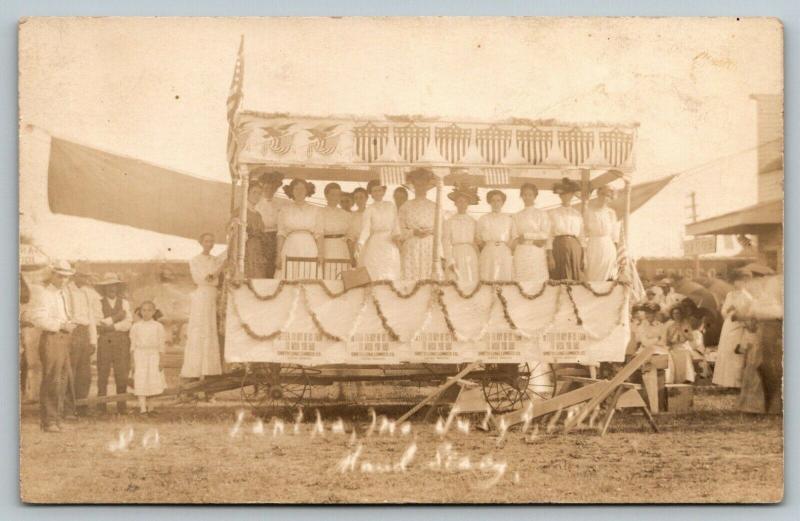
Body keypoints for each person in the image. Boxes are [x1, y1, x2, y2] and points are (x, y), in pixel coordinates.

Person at [27, 260, 77, 432]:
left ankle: (56, 418)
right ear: (53, 275)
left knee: (62, 379)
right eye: (60, 276)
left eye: (67, 277)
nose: (63, 280)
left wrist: (68, 324)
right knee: (52, 379)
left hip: (64, 338)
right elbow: (37, 318)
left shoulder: (62, 293)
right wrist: (61, 325)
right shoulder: (43, 293)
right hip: (51, 338)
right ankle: (48, 421)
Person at [181, 233, 227, 384]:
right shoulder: (195, 260)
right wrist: (216, 272)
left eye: (212, 241)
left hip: (214, 295)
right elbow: (202, 278)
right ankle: (194, 370)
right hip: (202, 296)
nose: (210, 243)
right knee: (200, 330)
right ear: (201, 243)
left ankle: (210, 370)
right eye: (207, 241)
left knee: (212, 330)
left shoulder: (215, 260)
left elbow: (226, 256)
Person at [94, 272, 133, 415]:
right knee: (102, 373)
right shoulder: (97, 303)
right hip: (104, 342)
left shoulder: (124, 303)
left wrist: (110, 325)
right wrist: (117, 317)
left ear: (118, 288)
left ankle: (121, 407)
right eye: (108, 286)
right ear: (104, 288)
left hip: (121, 341)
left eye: (114, 286)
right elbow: (98, 322)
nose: (112, 289)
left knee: (121, 373)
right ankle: (101, 407)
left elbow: (128, 323)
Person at [63, 267, 99, 418]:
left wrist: (92, 340)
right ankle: (68, 409)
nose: (85, 280)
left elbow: (91, 317)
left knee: (85, 374)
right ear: (75, 275)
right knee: (70, 372)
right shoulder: (65, 291)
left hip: (84, 333)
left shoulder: (87, 293)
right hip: (71, 331)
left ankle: (82, 407)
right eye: (82, 276)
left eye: (87, 277)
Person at [712, 269, 755, 388]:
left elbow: (749, 314)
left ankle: (736, 382)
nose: (737, 283)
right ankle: (725, 381)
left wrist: (738, 313)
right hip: (728, 325)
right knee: (725, 351)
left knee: (735, 353)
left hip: (739, 327)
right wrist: (727, 310)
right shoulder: (730, 294)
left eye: (740, 281)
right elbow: (723, 311)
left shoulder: (748, 297)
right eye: (736, 281)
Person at [276, 178, 324, 280]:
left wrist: (320, 253)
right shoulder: (285, 209)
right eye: (296, 189)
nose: (299, 191)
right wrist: (278, 255)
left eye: (302, 189)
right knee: (289, 276)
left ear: (307, 191)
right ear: (291, 191)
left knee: (308, 275)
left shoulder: (315, 210)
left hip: (309, 247)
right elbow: (281, 233)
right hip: (290, 246)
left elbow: (319, 233)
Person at [356, 179, 402, 280]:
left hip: (390, 242)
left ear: (384, 191)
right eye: (374, 191)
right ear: (371, 194)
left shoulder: (391, 206)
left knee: (390, 268)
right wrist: (361, 242)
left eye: (379, 190)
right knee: (376, 269)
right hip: (376, 242)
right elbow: (366, 229)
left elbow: (396, 224)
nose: (377, 193)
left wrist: (398, 238)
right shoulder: (369, 209)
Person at [398, 168, 439, 280]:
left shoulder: (435, 206)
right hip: (412, 246)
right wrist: (413, 232)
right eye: (417, 184)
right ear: (413, 185)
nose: (420, 187)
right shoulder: (406, 206)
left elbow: (440, 230)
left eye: (423, 184)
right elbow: (400, 230)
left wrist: (430, 231)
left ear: (427, 186)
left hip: (429, 247)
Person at [129, 301, 167, 415]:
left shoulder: (158, 326)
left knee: (152, 380)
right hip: (140, 355)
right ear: (140, 311)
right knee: (141, 380)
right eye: (143, 310)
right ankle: (142, 409)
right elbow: (132, 346)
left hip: (153, 355)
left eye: (149, 310)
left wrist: (161, 360)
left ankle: (151, 408)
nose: (146, 313)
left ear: (154, 312)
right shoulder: (136, 326)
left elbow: (161, 345)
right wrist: (132, 362)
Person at [254, 170, 289, 278]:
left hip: (275, 238)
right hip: (261, 237)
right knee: (260, 264)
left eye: (272, 189)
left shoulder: (280, 205)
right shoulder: (256, 204)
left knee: (274, 264)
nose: (269, 191)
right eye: (266, 188)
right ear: (262, 188)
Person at [547, 178, 584, 281]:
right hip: (559, 247)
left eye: (568, 194)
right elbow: (549, 235)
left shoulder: (577, 214)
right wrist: (550, 256)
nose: (566, 196)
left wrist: (583, 255)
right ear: (559, 195)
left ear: (572, 195)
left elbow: (582, 236)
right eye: (563, 194)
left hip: (575, 247)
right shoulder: (553, 213)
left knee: (575, 277)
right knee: (560, 277)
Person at [512, 183, 550, 283]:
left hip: (536, 251)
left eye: (530, 195)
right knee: (521, 279)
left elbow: (545, 234)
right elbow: (515, 236)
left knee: (537, 278)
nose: (527, 197)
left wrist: (526, 236)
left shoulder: (542, 214)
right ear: (521, 196)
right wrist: (534, 239)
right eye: (524, 194)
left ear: (535, 196)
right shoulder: (516, 216)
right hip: (521, 251)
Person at [442, 186, 480, 284]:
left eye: (464, 202)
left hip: (470, 254)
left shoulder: (473, 221)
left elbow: (477, 241)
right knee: (455, 281)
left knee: (470, 280)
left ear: (468, 204)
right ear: (455, 203)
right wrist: (450, 260)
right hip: (455, 253)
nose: (462, 204)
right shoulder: (449, 222)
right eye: (459, 201)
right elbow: (445, 242)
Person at [583, 185, 620, 282]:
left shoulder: (611, 213)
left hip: (608, 246)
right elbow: (583, 232)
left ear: (610, 198)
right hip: (593, 245)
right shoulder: (588, 212)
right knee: (592, 273)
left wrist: (616, 253)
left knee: (607, 274)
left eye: (607, 196)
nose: (604, 197)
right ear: (598, 194)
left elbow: (615, 235)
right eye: (602, 194)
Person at [477, 190, 516, 281]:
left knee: (504, 276)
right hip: (488, 251)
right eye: (493, 200)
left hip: (504, 251)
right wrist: (488, 246)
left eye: (498, 200)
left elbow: (514, 237)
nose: (496, 203)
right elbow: (478, 237)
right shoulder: (483, 219)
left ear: (502, 203)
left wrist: (507, 248)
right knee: (487, 276)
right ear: (489, 202)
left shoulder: (509, 219)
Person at [236, 182, 269, 278]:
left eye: (259, 193)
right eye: (254, 192)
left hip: (257, 249)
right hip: (245, 248)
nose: (257, 196)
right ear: (247, 193)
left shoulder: (258, 215)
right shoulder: (240, 211)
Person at [320, 182, 353, 278]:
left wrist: (351, 256)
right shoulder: (320, 212)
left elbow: (350, 236)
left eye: (338, 195)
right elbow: (318, 234)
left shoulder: (346, 215)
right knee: (327, 274)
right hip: (326, 247)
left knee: (342, 275)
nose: (335, 198)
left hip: (342, 248)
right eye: (332, 194)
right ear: (326, 196)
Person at [346, 187, 368, 262]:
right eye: (356, 198)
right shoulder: (352, 216)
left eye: (361, 197)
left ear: (366, 198)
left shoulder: (372, 213)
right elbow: (350, 237)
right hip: (358, 247)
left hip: (372, 245)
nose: (359, 200)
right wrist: (352, 255)